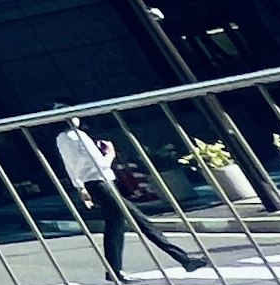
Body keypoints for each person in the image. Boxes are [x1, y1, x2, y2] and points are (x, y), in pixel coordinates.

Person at [56, 116, 207, 276]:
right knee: (142, 221)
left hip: (93, 185)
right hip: (102, 183)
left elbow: (70, 165)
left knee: (115, 227)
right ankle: (184, 259)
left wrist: (80, 187)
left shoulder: (61, 139)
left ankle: (113, 270)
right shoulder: (80, 136)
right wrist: (110, 153)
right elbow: (100, 164)